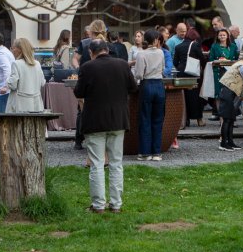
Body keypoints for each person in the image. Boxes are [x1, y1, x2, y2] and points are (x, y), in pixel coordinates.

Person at [74, 39, 138, 213]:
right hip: (118, 120)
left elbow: (79, 92)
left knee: (97, 164)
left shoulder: (87, 67)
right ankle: (116, 204)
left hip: (94, 121)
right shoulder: (122, 65)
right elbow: (133, 87)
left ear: (91, 52)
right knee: (116, 163)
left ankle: (98, 205)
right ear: (107, 50)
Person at [132, 28, 167, 161]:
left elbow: (139, 74)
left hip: (146, 85)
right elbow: (163, 69)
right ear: (156, 40)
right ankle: (156, 152)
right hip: (159, 85)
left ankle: (145, 153)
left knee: (145, 119)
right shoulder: (161, 52)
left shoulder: (141, 54)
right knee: (158, 119)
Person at [173, 28, 206, 127]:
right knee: (195, 97)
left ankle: (185, 120)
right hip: (192, 73)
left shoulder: (178, 46)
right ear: (194, 38)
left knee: (184, 97)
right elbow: (202, 59)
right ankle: (199, 119)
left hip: (181, 74)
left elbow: (175, 62)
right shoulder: (195, 45)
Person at [6, 37, 47, 112]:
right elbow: (42, 82)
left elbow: (13, 85)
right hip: (36, 105)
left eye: (13, 48)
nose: (12, 51)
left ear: (19, 49)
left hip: (20, 105)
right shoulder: (37, 64)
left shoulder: (16, 64)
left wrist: (7, 80)